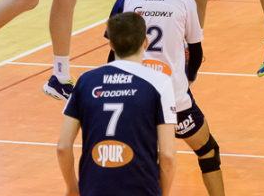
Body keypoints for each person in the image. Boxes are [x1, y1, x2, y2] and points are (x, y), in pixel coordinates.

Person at [108, 0, 225, 196]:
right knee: (208, 152)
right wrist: (189, 78)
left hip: (134, 99)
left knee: (141, 160)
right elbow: (196, 50)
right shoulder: (184, 0)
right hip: (175, 100)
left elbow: (113, 54)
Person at [57, 11, 177, 196]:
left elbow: (63, 147)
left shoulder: (86, 81)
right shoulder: (159, 82)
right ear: (145, 42)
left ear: (111, 44)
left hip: (93, 189)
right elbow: (168, 155)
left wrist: (73, 188)